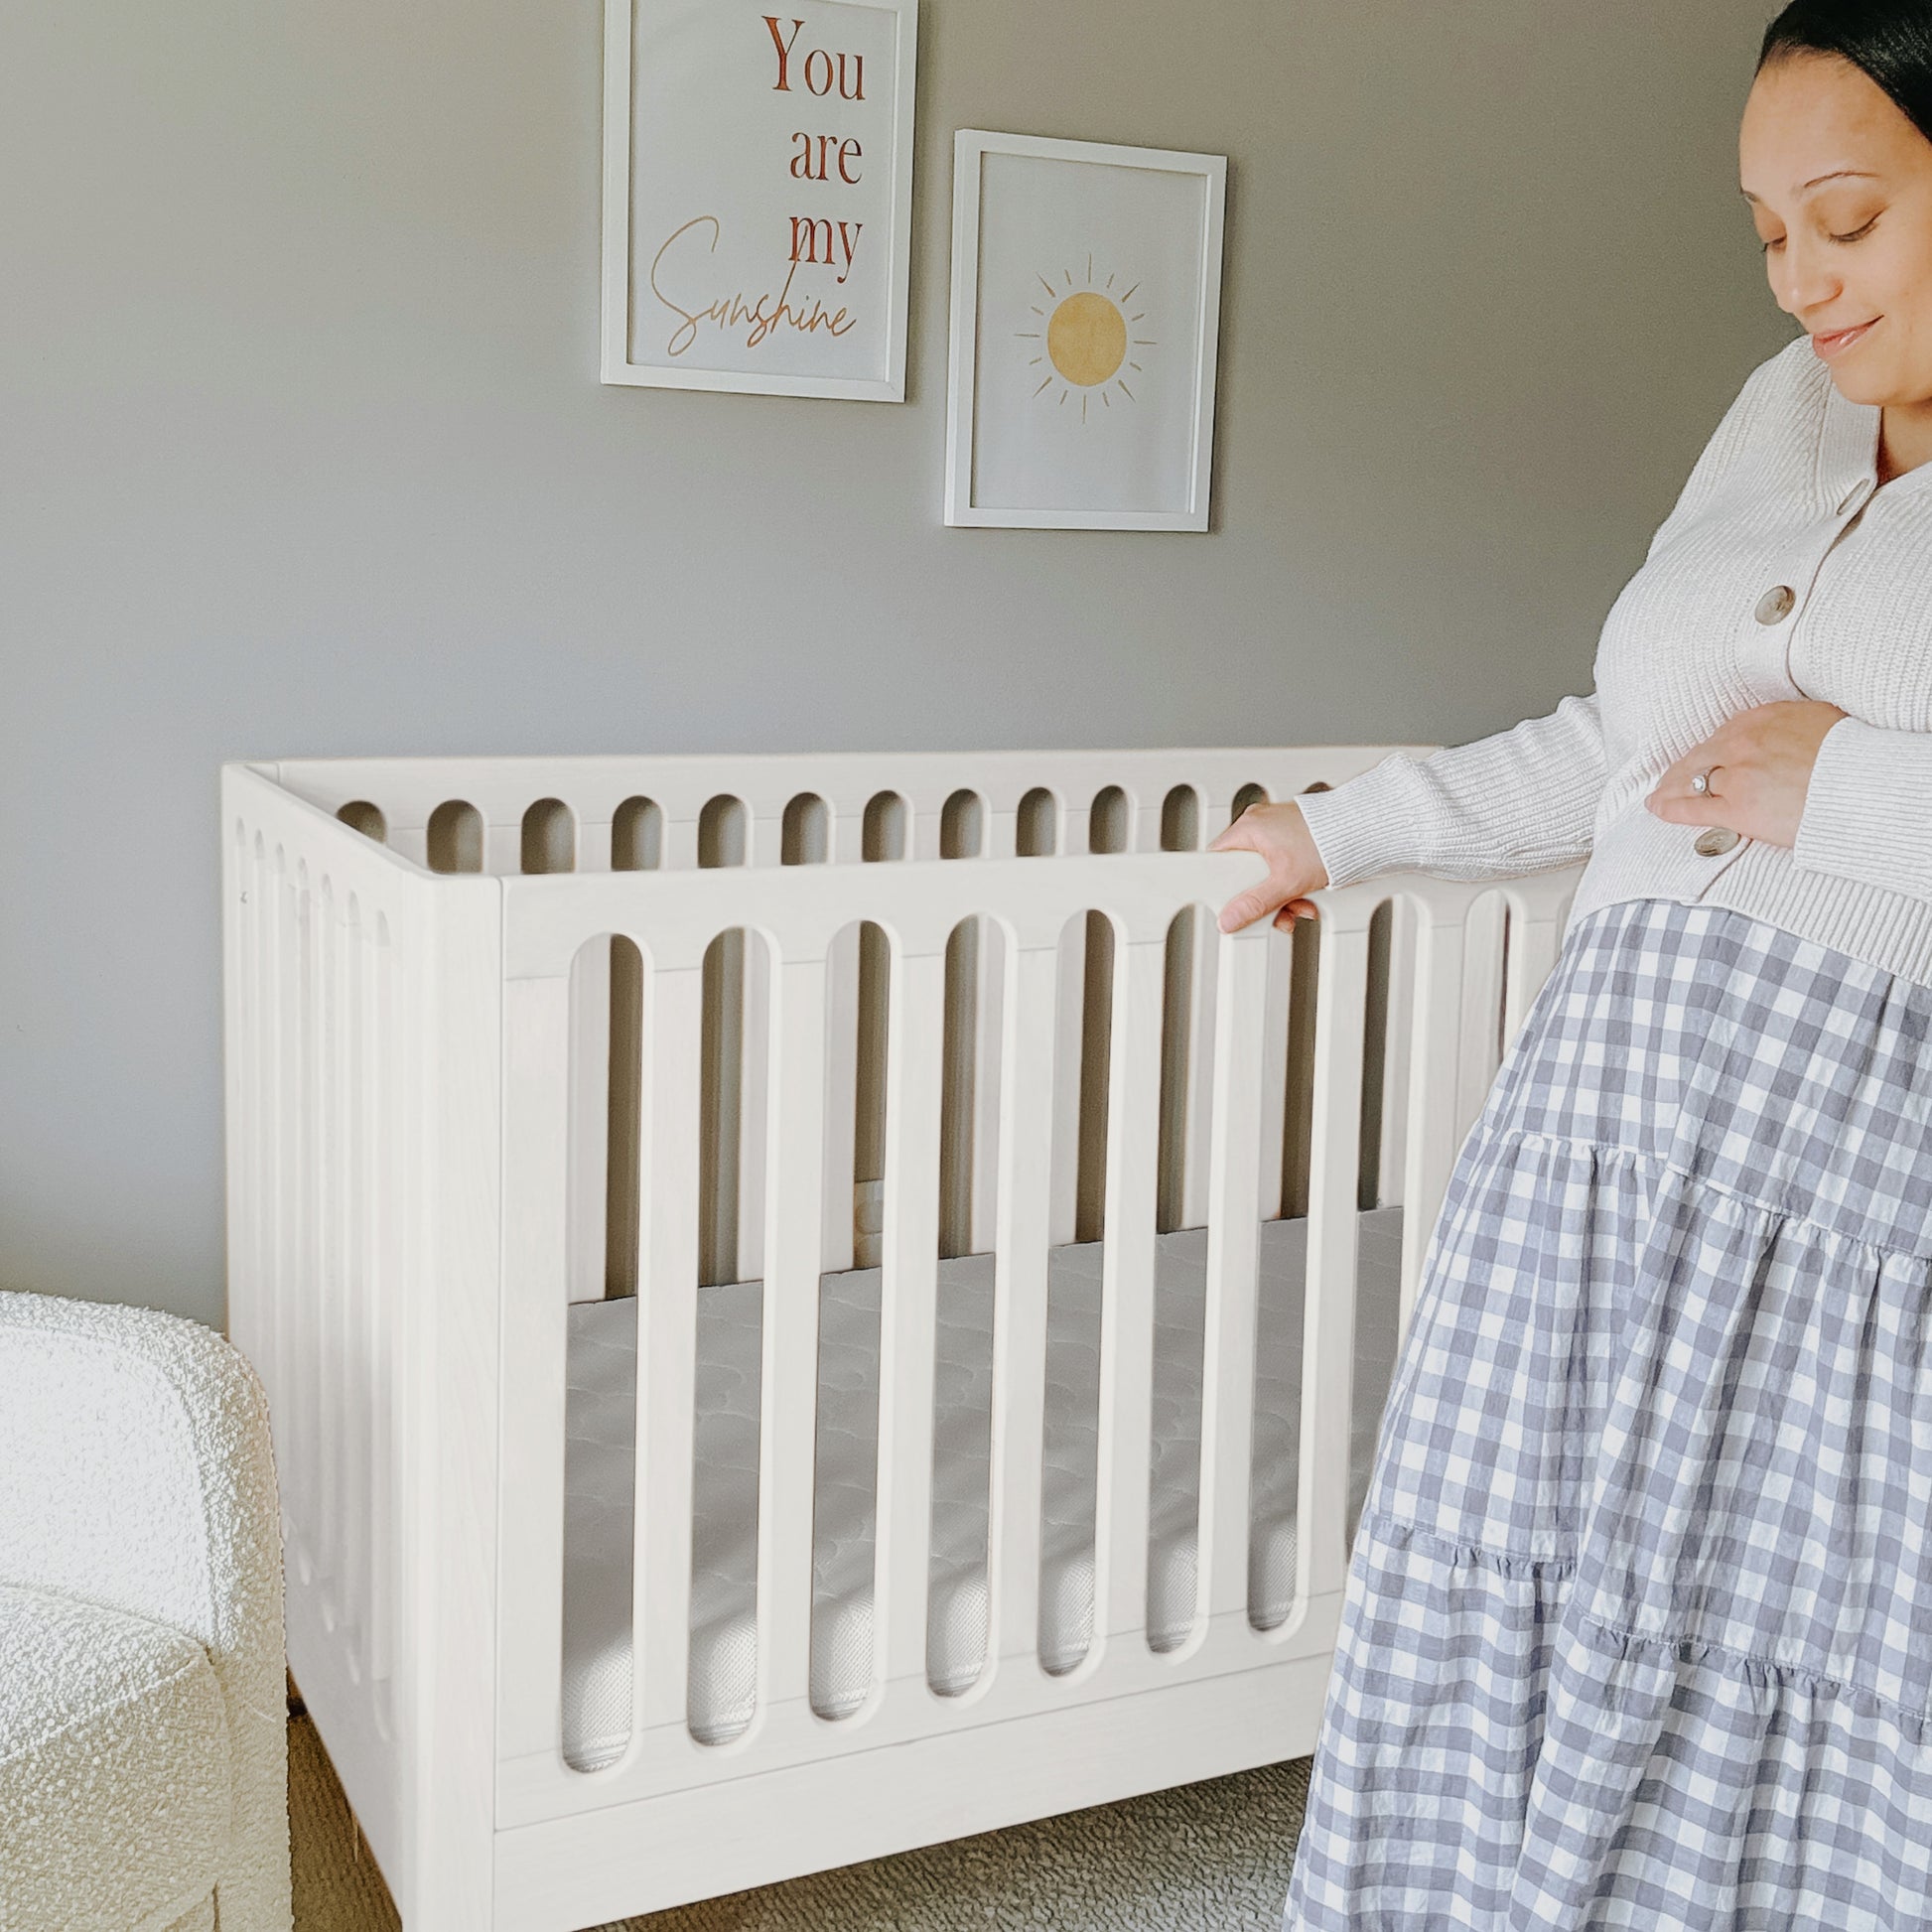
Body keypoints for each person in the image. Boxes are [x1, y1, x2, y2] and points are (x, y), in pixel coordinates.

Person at [1212, 5, 1932, 1924]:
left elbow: (1794, 775)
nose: (1799, 282)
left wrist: (1846, 789)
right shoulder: (1778, 415)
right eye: (1767, 231)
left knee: (1763, 1633)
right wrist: (1337, 828)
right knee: (1493, 1567)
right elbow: (1624, 737)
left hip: (1844, 1175)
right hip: (1591, 1133)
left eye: (1845, 220)